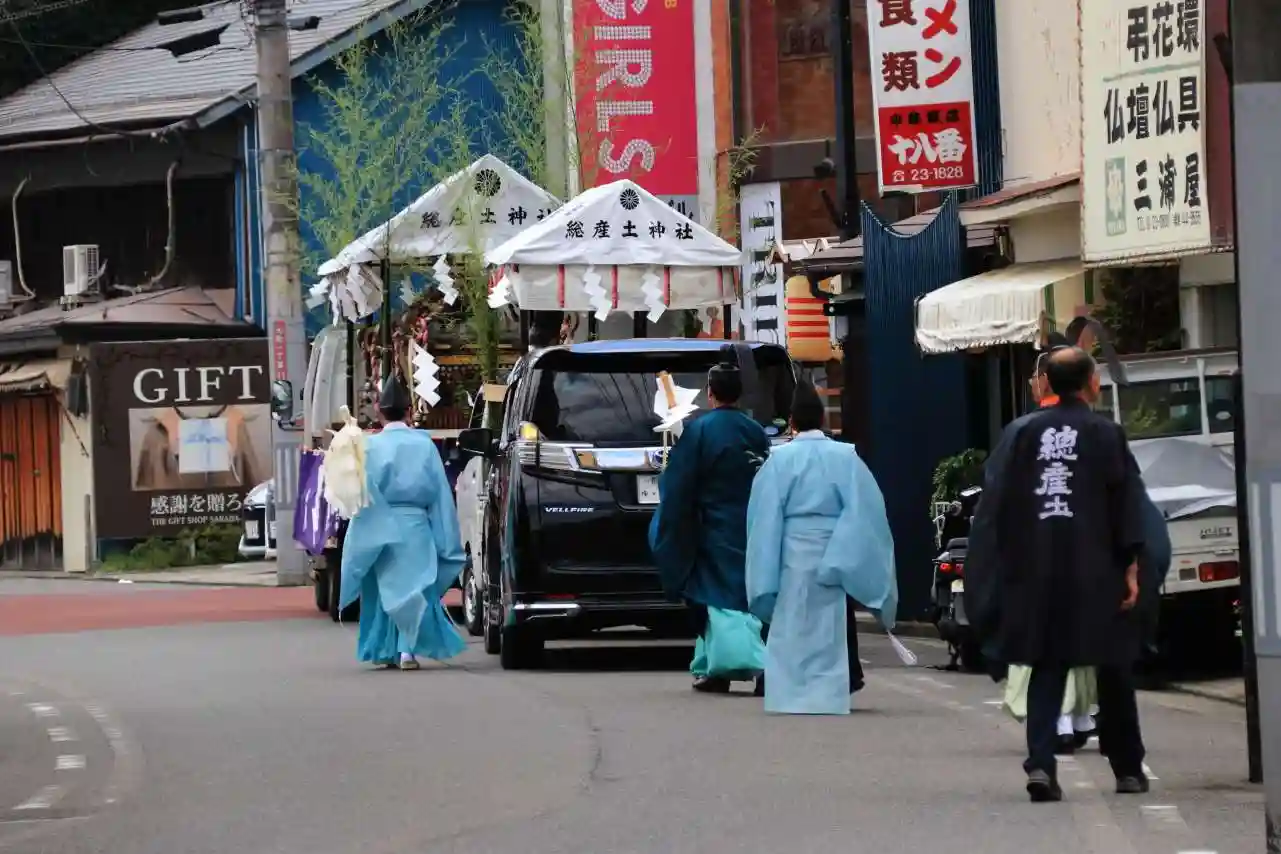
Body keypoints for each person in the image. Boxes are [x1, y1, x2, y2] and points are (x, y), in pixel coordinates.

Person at [965, 347, 1148, 803]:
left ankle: (1042, 765)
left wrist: (999, 569)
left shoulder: (1021, 433)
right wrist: (1131, 566)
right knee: (1112, 666)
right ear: (1092, 384)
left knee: (1048, 665)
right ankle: (1127, 768)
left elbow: (995, 508)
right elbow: (1126, 506)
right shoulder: (1106, 434)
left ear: (1046, 382)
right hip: (1096, 570)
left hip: (1037, 571)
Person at [745, 382, 897, 714]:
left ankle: (791, 693)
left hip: (791, 554)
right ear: (823, 419)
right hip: (834, 550)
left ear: (791, 422)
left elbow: (764, 519)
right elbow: (865, 512)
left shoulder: (778, 461)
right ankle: (829, 691)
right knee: (830, 628)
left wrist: (764, 570)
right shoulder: (845, 457)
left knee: (791, 625)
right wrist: (843, 554)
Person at [650, 346, 770, 693]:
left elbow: (678, 484)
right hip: (752, 524)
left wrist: (669, 517)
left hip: (712, 527)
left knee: (716, 596)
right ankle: (714, 668)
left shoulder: (700, 430)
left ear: (710, 392)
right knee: (752, 595)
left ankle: (755, 664)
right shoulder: (756, 431)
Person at [338, 374, 467, 670]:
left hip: (380, 524)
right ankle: (407, 650)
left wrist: (361, 530)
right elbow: (439, 494)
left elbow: (363, 492)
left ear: (379, 412)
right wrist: (446, 535)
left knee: (385, 586)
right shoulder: (424, 444)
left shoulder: (370, 446)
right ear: (409, 412)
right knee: (415, 587)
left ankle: (389, 649)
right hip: (416, 524)